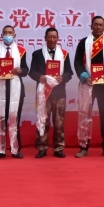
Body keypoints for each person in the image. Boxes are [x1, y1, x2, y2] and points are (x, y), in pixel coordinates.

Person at [73, 16, 104, 157]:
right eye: (95, 24)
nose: (98, 27)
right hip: (88, 84)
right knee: (85, 115)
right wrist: (85, 76)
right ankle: (83, 147)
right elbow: (77, 63)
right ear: (91, 26)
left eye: (101, 25)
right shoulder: (84, 43)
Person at [29, 27, 73, 158]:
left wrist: (63, 78)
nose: (52, 39)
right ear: (45, 38)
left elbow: (69, 72)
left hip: (59, 93)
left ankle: (58, 148)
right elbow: (32, 72)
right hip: (43, 93)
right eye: (49, 37)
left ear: (58, 39)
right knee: (43, 121)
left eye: (54, 37)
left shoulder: (64, 54)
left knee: (59, 123)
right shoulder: (37, 54)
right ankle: (42, 148)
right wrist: (39, 77)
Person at [0, 25, 29, 159]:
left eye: (10, 33)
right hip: (0, 89)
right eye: (5, 33)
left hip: (16, 90)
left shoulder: (21, 51)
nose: (7, 35)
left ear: (14, 35)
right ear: (1, 35)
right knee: (0, 119)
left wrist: (20, 70)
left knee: (14, 119)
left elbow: (26, 69)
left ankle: (15, 149)